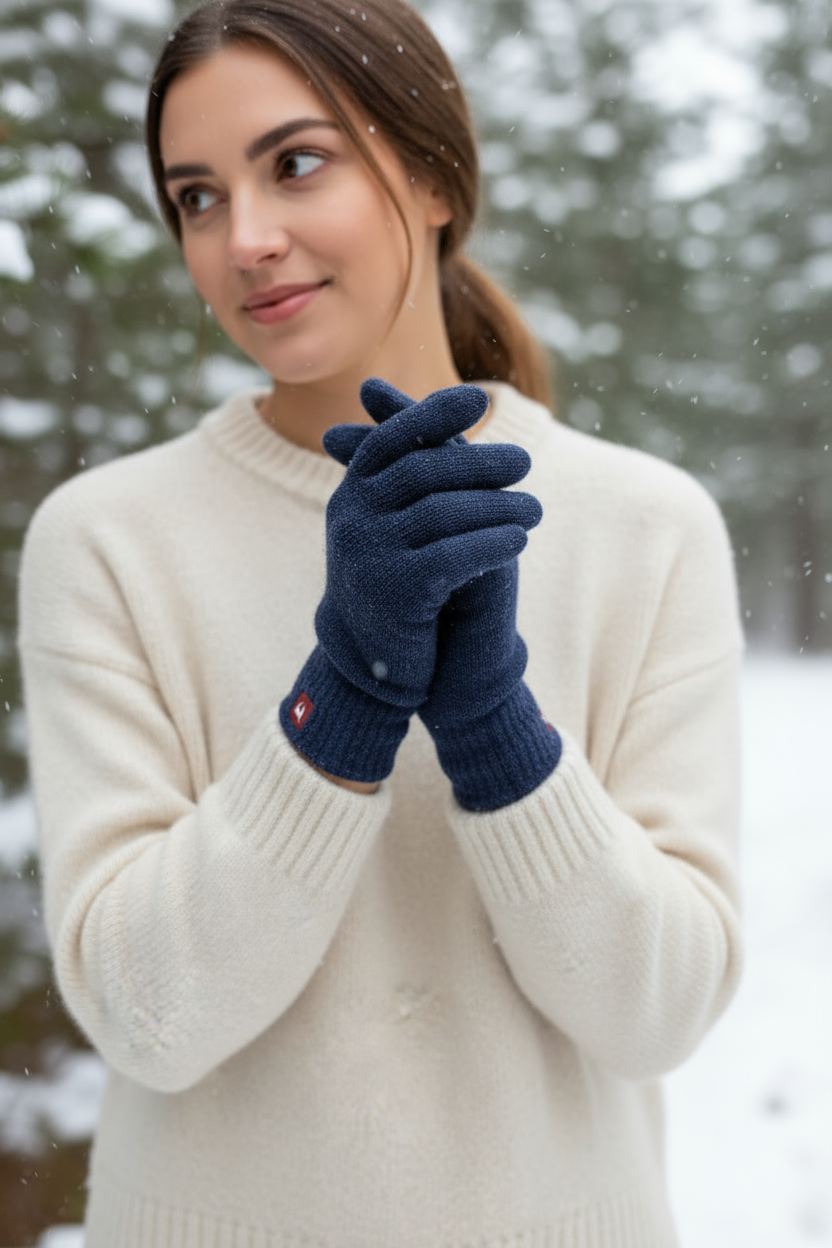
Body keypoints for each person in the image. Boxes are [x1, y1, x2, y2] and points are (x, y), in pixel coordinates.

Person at [17, 0, 744, 1244]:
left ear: (429, 175)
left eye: (295, 164)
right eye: (196, 196)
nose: (245, 239)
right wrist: (341, 698)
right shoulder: (106, 540)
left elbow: (658, 1013)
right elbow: (148, 1018)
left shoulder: (646, 525)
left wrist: (497, 731)